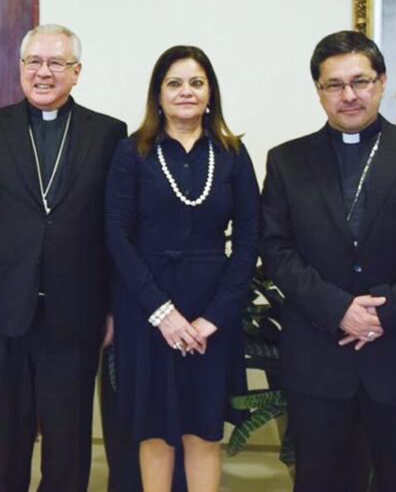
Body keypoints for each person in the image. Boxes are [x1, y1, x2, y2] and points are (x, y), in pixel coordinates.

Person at [260, 30, 396, 492]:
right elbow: (276, 249)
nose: (349, 95)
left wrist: (386, 310)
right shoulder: (288, 161)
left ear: (381, 82)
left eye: (360, 81)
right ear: (318, 90)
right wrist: (337, 309)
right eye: (334, 85)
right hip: (321, 359)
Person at [0, 24, 127, 491]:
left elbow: (118, 232)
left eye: (56, 63)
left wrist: (114, 309)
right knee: (7, 429)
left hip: (77, 308)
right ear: (20, 68)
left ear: (77, 72)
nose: (43, 73)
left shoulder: (107, 133)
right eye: (33, 63)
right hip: (4, 305)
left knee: (69, 434)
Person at [105, 45, 258, 492]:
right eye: (174, 83)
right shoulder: (131, 152)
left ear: (210, 92)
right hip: (147, 309)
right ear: (158, 94)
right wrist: (162, 313)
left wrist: (212, 319)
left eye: (196, 82)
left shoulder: (232, 154)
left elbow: (250, 239)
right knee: (154, 432)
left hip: (213, 310)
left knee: (204, 429)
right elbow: (117, 237)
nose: (186, 91)